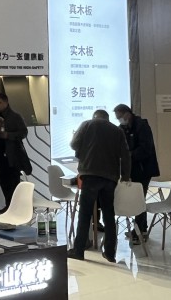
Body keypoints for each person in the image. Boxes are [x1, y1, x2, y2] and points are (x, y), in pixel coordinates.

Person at [67, 109, 130, 263]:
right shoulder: (117, 131)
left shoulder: (87, 124)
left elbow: (73, 144)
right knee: (109, 214)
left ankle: (79, 250)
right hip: (110, 177)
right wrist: (125, 176)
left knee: (85, 214)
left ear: (95, 117)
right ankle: (110, 252)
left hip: (90, 175)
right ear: (107, 119)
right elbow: (125, 155)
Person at [113, 104, 159, 244]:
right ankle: (139, 229)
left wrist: (128, 155)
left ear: (127, 114)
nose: (120, 120)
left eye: (120, 117)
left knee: (139, 198)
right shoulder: (123, 128)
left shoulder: (141, 126)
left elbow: (145, 149)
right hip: (132, 169)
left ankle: (140, 231)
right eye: (117, 118)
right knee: (137, 198)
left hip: (143, 169)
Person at [0, 93, 32, 208]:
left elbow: (23, 132)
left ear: (6, 102)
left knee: (13, 182)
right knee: (3, 182)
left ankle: (14, 207)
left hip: (13, 155)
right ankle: (8, 206)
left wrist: (8, 135)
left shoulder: (15, 116)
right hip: (0, 155)